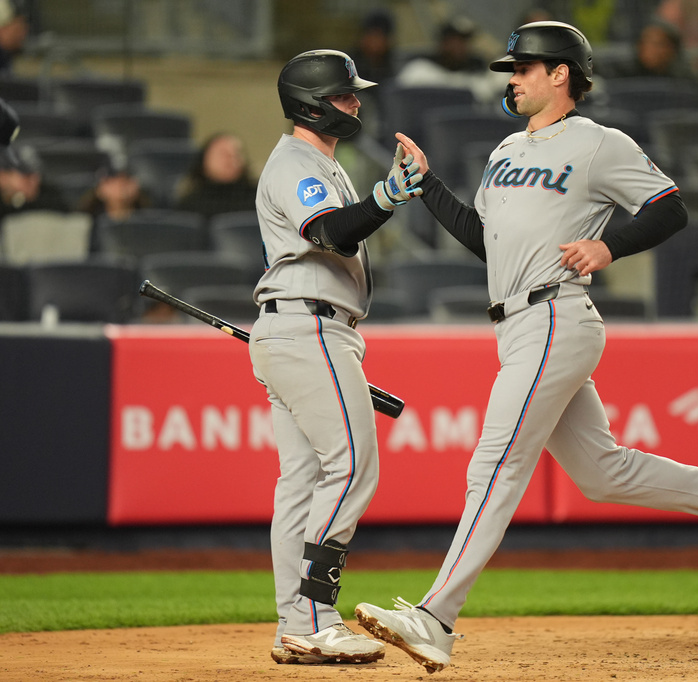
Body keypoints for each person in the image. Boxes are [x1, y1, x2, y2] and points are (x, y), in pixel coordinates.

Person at [354, 21, 698, 673]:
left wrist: (609, 245)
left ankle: (436, 616)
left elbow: (669, 207)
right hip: (516, 323)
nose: (513, 78)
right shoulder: (505, 149)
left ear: (560, 74)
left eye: (524, 68)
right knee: (603, 472)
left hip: (554, 316)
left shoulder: (597, 144)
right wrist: (425, 186)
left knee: (494, 463)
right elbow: (487, 243)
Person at [248, 49, 423, 666]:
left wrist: (377, 196)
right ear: (313, 102)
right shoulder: (297, 161)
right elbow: (331, 233)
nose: (355, 102)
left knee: (300, 484)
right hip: (310, 328)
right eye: (345, 95)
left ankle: (294, 626)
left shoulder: (320, 160)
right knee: (351, 466)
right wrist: (387, 196)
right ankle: (317, 616)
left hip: (303, 328)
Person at [395, 17, 506, 103]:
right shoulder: (419, 70)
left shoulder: (477, 79)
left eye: (464, 41)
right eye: (455, 41)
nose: (459, 47)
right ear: (442, 42)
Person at [174, 132, 257, 218]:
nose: (231, 159)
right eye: (223, 154)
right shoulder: (189, 206)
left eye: (236, 153)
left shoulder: (259, 199)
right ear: (204, 161)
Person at [603, 18, 693, 80]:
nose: (650, 49)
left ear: (672, 49)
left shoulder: (684, 80)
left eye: (657, 44)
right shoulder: (623, 76)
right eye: (644, 42)